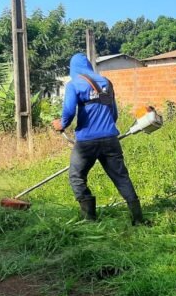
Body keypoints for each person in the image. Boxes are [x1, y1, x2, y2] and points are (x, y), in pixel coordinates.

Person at [52, 53, 144, 225]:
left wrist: (61, 124)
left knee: (76, 176)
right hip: (110, 139)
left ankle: (90, 219)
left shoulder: (74, 84)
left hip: (86, 142)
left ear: (73, 68)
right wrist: (105, 128)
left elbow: (70, 111)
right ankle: (138, 219)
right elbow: (113, 113)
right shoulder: (106, 82)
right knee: (121, 177)